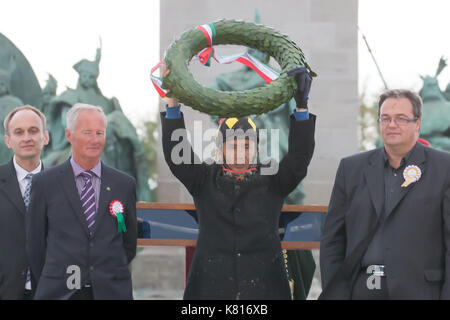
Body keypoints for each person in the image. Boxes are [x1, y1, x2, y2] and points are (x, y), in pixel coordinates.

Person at [160, 66, 316, 300]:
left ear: (255, 147)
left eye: (246, 145)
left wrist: (301, 107)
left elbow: (298, 158)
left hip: (265, 290)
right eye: (233, 144)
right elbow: (177, 155)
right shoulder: (204, 179)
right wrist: (172, 101)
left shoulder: (273, 179)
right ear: (221, 147)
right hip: (211, 290)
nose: (240, 151)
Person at [320, 89, 450, 300]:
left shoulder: (444, 168)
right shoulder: (351, 168)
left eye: (401, 118)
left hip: (422, 292)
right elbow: (333, 239)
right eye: (385, 118)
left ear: (417, 123)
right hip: (361, 290)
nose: (392, 124)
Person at [27, 103, 137, 300]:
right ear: (69, 135)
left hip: (111, 292)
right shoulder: (44, 183)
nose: (95, 140)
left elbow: (128, 244)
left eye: (99, 133)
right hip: (60, 292)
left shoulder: (124, 184)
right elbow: (36, 246)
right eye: (87, 132)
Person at [0, 105, 49, 300]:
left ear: (45, 137)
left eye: (33, 130)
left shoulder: (64, 185)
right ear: (8, 141)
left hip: (51, 293)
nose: (27, 137)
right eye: (19, 132)